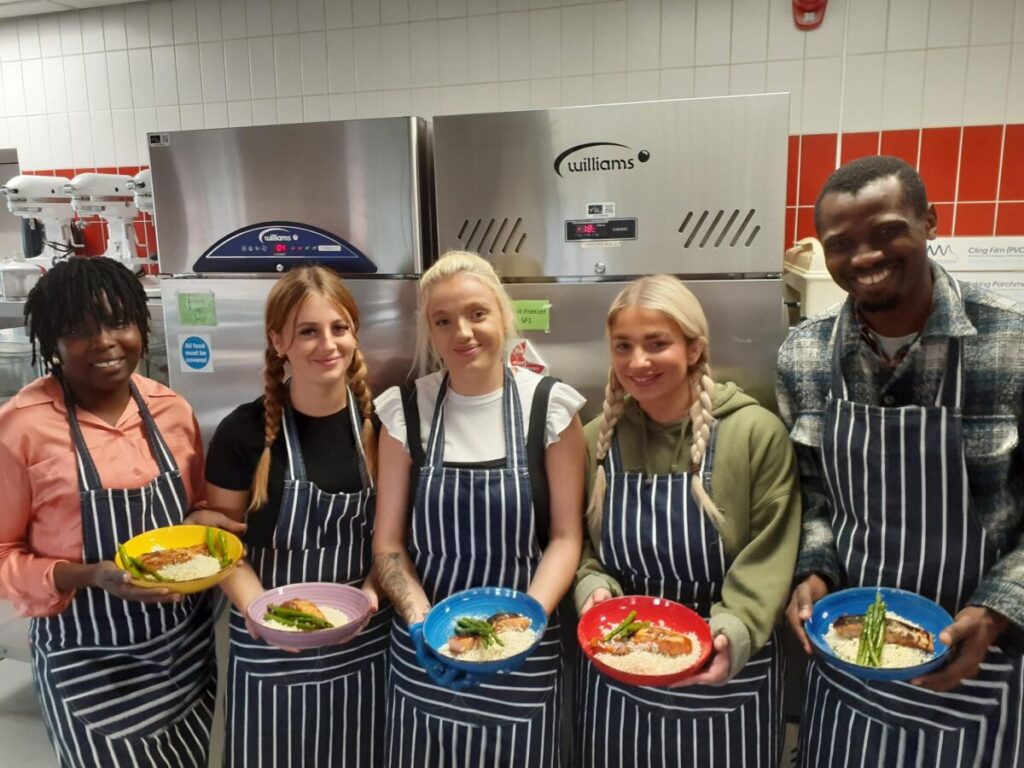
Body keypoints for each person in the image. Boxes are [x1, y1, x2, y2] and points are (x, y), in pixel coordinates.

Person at [778, 155, 1024, 766]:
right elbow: (818, 498)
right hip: (848, 661)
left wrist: (998, 608)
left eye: (887, 231)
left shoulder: (1012, 345)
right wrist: (814, 573)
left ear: (930, 224)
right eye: (842, 244)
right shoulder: (804, 356)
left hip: (983, 665)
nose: (864, 256)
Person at [573, 275, 800, 766]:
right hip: (620, 667)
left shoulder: (753, 434)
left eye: (658, 344)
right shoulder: (596, 438)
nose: (638, 362)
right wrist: (592, 588)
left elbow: (772, 551)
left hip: (728, 674)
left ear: (694, 348)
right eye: (623, 346)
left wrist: (732, 633)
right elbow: (580, 545)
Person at [0, 256, 216, 767]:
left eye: (119, 321)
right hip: (87, 663)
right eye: (79, 330)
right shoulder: (21, 429)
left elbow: (198, 510)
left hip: (184, 652)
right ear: (52, 341)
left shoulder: (170, 410)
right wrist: (91, 575)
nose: (104, 342)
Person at [372, 250, 585, 766]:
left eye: (477, 314)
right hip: (427, 657)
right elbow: (388, 543)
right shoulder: (404, 411)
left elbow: (565, 538)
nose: (461, 332)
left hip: (524, 654)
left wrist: (520, 627)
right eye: (442, 321)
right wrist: (423, 623)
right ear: (429, 331)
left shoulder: (549, 407)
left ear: (503, 315)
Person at [203, 265, 389, 767]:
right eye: (308, 331)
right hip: (268, 644)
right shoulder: (242, 433)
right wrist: (264, 616)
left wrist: (374, 590)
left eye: (339, 328)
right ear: (278, 341)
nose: (327, 344)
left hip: (364, 644)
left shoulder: (383, 427)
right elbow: (221, 545)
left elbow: (394, 536)